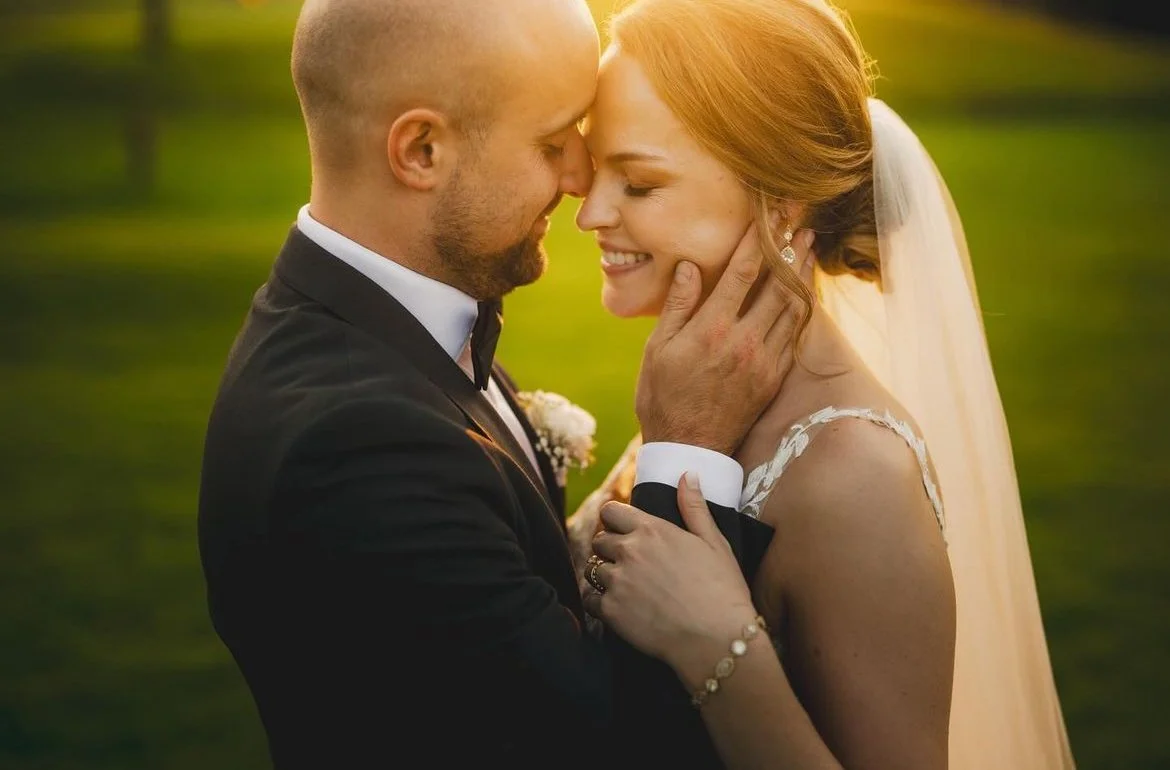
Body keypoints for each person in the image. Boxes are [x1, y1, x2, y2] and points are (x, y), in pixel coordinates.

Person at [196, 0, 808, 767]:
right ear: (421, 150)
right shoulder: (357, 449)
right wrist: (687, 447)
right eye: (554, 142)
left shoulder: (392, 324)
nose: (582, 178)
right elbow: (611, 749)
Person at [570, 0, 1076, 768]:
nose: (590, 213)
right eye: (595, 166)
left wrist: (719, 644)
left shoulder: (855, 477)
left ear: (782, 204)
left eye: (638, 183)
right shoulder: (696, 394)